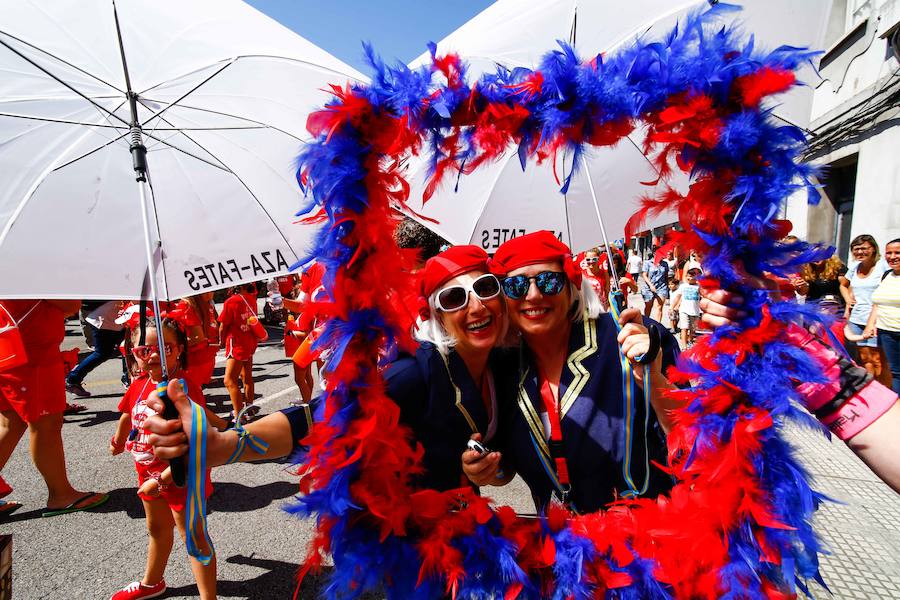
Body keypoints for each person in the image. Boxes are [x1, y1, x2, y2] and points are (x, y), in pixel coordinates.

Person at [144, 245, 514, 494]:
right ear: (435, 314)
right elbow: (323, 417)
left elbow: (504, 465)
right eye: (455, 298)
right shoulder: (414, 374)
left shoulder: (506, 365)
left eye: (485, 288)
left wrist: (490, 471)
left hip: (466, 526)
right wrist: (225, 445)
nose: (477, 307)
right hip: (413, 542)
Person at [466, 231, 681, 513]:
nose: (533, 294)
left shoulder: (634, 339)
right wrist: (486, 471)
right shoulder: (503, 368)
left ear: (571, 285)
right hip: (563, 551)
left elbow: (703, 442)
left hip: (651, 542)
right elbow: (506, 465)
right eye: (516, 285)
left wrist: (654, 382)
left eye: (548, 281)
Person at [109, 315, 225, 600]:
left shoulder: (182, 388)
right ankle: (152, 583)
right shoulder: (139, 383)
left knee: (193, 537)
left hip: (181, 474)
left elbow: (194, 444)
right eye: (142, 350)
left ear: (180, 349)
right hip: (147, 470)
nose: (152, 356)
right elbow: (127, 414)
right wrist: (118, 441)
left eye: (164, 348)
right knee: (157, 528)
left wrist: (160, 481)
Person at [0, 299, 108, 517]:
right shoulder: (32, 266)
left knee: (11, 422)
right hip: (32, 349)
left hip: (11, 342)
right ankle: (61, 494)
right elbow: (69, 304)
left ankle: (61, 493)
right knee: (46, 423)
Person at [841, 235, 891, 386]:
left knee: (878, 360)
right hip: (857, 319)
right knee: (865, 358)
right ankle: (872, 389)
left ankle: (886, 391)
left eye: (864, 248)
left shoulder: (883, 267)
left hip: (876, 319)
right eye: (856, 249)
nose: (860, 252)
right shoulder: (855, 268)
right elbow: (843, 284)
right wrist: (848, 300)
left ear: (873, 249)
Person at [218, 283, 263, 422]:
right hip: (249, 341)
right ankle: (249, 408)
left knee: (229, 380)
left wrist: (220, 341)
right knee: (247, 377)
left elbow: (223, 325)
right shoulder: (251, 299)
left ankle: (239, 415)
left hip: (236, 343)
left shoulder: (231, 301)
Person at [65, 300, 127, 397]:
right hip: (104, 318)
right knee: (103, 353)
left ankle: (128, 378)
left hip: (111, 317)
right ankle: (72, 379)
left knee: (124, 348)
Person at [865, 239, 900, 394]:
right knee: (895, 372)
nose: (892, 256)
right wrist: (870, 324)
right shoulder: (887, 275)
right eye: (889, 253)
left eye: (897, 252)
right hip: (886, 331)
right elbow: (877, 304)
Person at [180, 293, 219, 388]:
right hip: (206, 353)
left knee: (192, 393)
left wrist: (175, 345)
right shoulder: (205, 304)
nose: (212, 292)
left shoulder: (187, 305)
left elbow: (198, 337)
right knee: (196, 391)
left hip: (195, 357)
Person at [671, 267, 702, 347]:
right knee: (684, 328)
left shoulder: (699, 287)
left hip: (695, 311)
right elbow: (678, 297)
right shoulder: (683, 286)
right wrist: (672, 307)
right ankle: (684, 346)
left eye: (692, 276)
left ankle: (690, 339)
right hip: (684, 310)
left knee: (693, 329)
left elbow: (703, 297)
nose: (689, 278)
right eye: (688, 276)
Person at [640, 245, 670, 322]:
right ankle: (646, 322)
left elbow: (666, 275)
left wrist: (668, 288)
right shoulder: (648, 263)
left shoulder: (665, 264)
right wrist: (651, 285)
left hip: (662, 287)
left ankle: (658, 326)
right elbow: (644, 275)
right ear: (654, 253)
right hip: (649, 287)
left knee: (659, 307)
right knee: (648, 306)